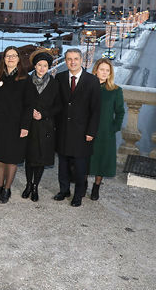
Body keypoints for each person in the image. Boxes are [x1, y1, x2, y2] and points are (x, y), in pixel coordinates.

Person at [54, 48, 101, 207]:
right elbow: (57, 104)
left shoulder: (92, 81)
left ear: (81, 60)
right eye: (68, 59)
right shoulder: (59, 78)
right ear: (65, 61)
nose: (72, 62)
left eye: (75, 59)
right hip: (63, 130)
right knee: (63, 164)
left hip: (82, 132)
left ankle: (78, 195)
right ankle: (64, 190)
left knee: (80, 166)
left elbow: (96, 110)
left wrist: (91, 132)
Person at [0, 46, 31, 204]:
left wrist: (25, 126)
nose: (11, 58)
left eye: (14, 56)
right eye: (8, 56)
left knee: (11, 158)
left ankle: (7, 188)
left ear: (19, 59)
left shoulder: (25, 79)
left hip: (16, 125)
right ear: (4, 59)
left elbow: (29, 105)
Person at [22, 49, 61, 202]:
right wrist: (29, 112)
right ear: (35, 66)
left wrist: (43, 114)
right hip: (29, 124)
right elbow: (21, 101)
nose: (42, 68)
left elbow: (58, 106)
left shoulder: (54, 83)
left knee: (40, 159)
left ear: (48, 67)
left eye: (45, 65)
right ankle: (28, 185)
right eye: (39, 65)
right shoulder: (26, 81)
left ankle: (35, 186)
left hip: (45, 126)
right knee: (29, 158)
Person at [87, 58, 125, 201]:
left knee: (101, 160)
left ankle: (96, 186)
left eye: (107, 70)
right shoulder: (87, 87)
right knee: (85, 159)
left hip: (105, 132)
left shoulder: (115, 91)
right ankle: (82, 184)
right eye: (101, 69)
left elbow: (120, 112)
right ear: (96, 70)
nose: (104, 73)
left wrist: (113, 128)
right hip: (87, 130)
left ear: (110, 73)